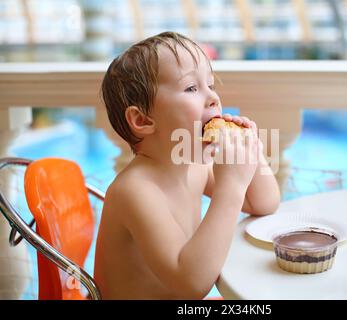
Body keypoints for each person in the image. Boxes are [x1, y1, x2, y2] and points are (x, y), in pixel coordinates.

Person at [94, 31, 280, 299]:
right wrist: (232, 186)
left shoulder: (194, 166)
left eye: (211, 85)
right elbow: (191, 283)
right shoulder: (134, 191)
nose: (213, 98)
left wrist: (251, 151)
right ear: (143, 120)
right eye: (192, 88)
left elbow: (264, 203)